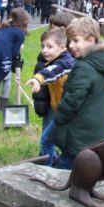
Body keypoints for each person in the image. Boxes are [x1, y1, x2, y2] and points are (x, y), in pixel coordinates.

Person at [50, 17, 104, 171]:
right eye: (69, 41)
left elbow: (72, 100)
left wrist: (59, 117)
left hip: (79, 134)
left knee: (63, 172)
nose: (71, 46)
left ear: (91, 40)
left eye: (76, 41)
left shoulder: (84, 66)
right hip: (97, 135)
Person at [25, 28, 74, 166]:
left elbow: (53, 71)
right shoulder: (55, 59)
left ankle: (49, 168)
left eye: (50, 47)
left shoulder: (66, 61)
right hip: (57, 109)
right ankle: (52, 164)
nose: (45, 50)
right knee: (50, 140)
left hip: (66, 113)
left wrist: (38, 78)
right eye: (43, 46)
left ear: (62, 47)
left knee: (47, 140)